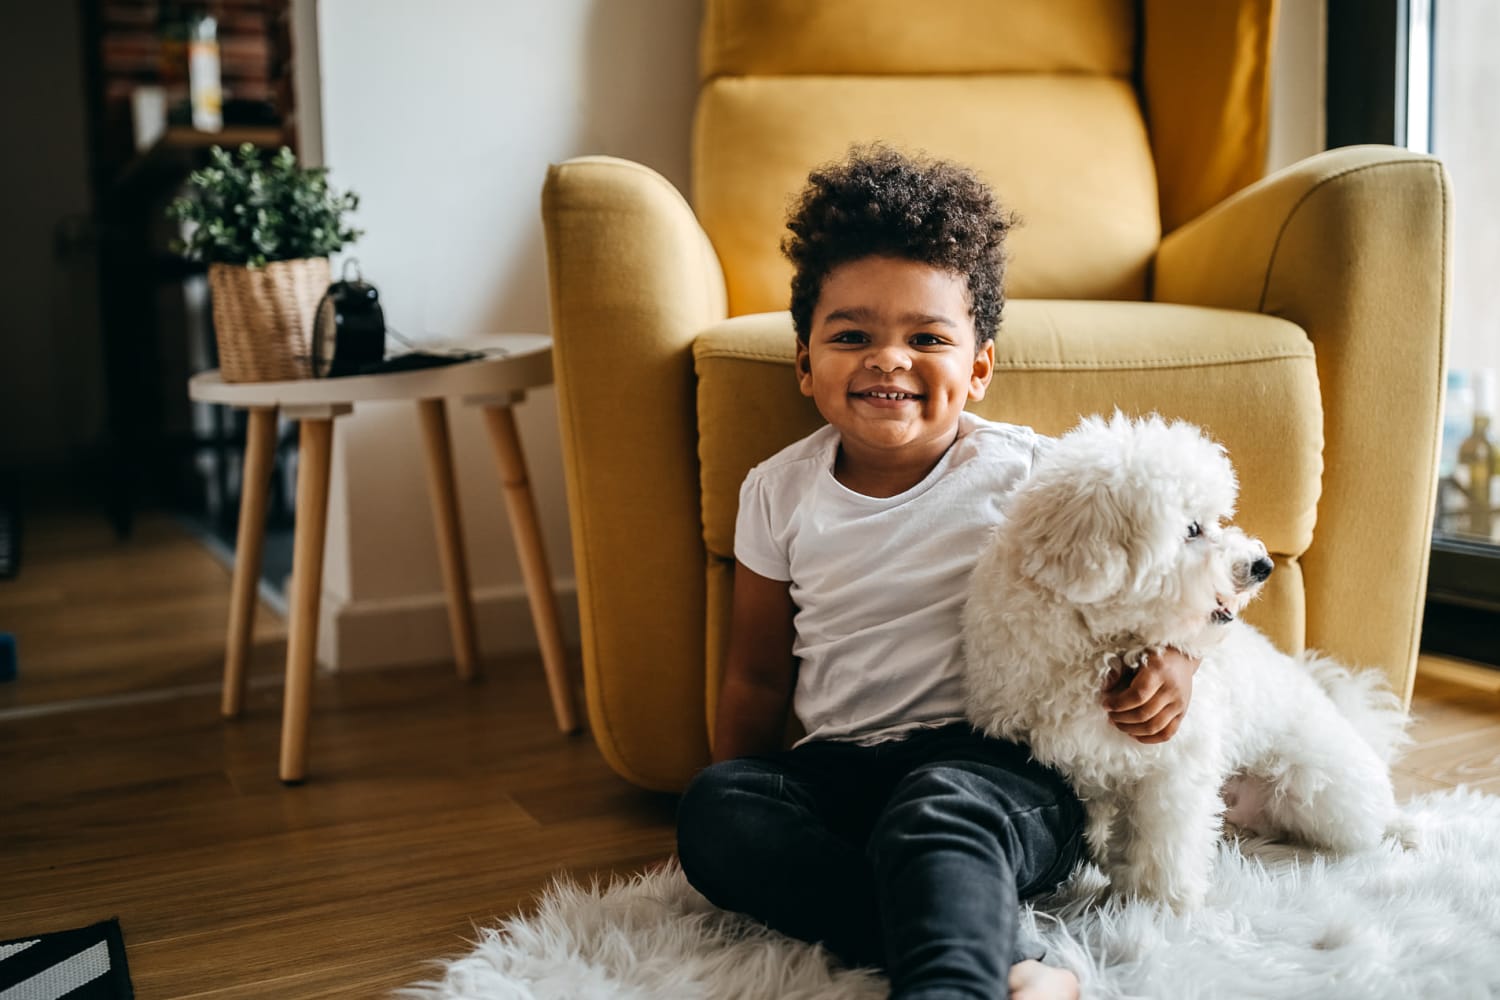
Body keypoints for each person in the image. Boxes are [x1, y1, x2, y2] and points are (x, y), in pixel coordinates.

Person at [675, 145, 1200, 1000]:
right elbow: (756, 673)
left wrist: (1179, 659)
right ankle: (1014, 958)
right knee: (714, 815)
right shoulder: (776, 493)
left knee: (937, 813)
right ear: (805, 364)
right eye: (852, 336)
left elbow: (1178, 569)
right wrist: (742, 787)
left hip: (998, 774)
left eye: (927, 337)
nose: (888, 359)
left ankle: (953, 983)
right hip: (843, 768)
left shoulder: (1036, 475)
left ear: (978, 369)